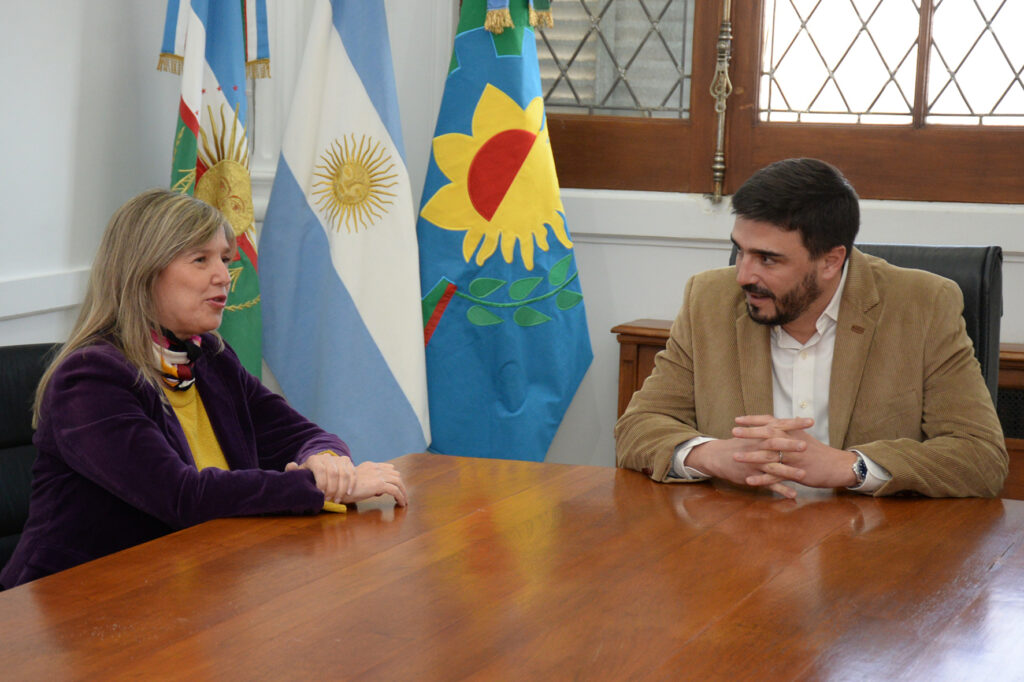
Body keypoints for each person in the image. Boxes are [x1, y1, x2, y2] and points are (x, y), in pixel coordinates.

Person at [1, 189, 407, 589]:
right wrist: (315, 488)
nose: (224, 276)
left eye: (225, 259)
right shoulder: (90, 378)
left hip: (190, 582)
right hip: (74, 602)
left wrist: (326, 462)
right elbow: (181, 497)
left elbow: (298, 434)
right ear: (144, 272)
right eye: (201, 260)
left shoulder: (209, 356)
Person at [615, 158, 1007, 498]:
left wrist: (851, 467)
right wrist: (712, 455)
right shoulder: (708, 299)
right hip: (739, 537)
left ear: (831, 261)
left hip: (870, 543)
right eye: (741, 251)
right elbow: (636, 428)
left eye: (768, 259)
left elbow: (981, 457)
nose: (743, 275)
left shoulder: (923, 305)